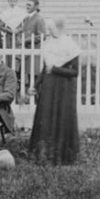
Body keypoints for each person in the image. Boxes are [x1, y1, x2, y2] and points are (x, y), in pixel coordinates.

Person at [29, 17, 81, 165]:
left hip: (63, 87)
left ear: (59, 28)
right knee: (46, 116)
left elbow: (75, 72)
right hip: (48, 87)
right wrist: (35, 85)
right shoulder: (49, 43)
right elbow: (45, 68)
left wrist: (57, 69)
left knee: (60, 116)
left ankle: (61, 154)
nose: (49, 31)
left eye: (51, 29)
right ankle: (43, 154)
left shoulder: (70, 44)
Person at [17, 0, 48, 101]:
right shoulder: (27, 18)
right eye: (27, 5)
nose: (27, 7)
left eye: (29, 5)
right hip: (27, 52)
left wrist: (27, 40)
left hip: (35, 52)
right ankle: (32, 100)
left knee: (35, 78)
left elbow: (42, 35)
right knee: (28, 77)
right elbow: (24, 31)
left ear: (36, 7)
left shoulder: (39, 18)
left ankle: (38, 101)